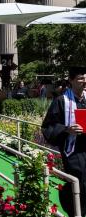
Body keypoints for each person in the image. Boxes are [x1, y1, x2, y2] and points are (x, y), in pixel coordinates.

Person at [42, 67, 86, 216]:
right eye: (80, 78)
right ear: (71, 81)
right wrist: (67, 129)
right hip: (73, 150)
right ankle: (75, 211)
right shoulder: (62, 101)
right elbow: (48, 126)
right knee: (78, 179)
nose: (84, 81)